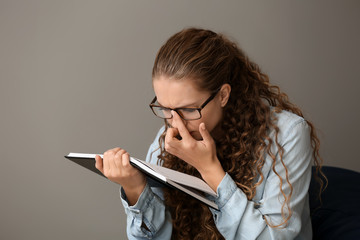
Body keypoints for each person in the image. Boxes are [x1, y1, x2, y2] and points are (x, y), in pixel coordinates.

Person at [95, 28, 325, 240]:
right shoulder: (167, 138)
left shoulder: (287, 134)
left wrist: (210, 170)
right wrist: (135, 189)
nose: (176, 123)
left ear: (223, 95)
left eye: (188, 109)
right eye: (165, 109)